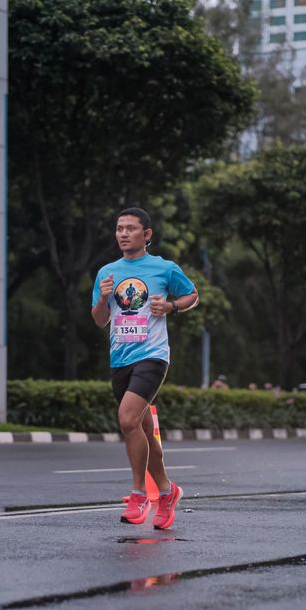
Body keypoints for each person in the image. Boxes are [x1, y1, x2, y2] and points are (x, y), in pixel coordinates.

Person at [92, 207, 199, 529]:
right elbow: (100, 320)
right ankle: (167, 492)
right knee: (140, 428)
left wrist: (171, 306)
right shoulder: (107, 272)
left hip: (153, 355)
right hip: (120, 358)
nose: (123, 234)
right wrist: (103, 300)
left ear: (147, 234)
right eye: (119, 228)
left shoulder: (164, 268)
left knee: (127, 419)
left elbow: (192, 295)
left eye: (130, 228)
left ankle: (139, 493)